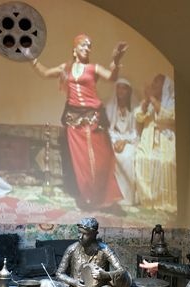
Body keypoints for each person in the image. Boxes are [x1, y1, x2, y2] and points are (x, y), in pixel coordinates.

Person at [28, 34, 127, 210]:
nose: (87, 48)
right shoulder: (65, 68)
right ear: (74, 50)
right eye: (83, 45)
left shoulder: (93, 68)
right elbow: (45, 73)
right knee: (81, 161)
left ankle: (101, 196)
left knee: (99, 158)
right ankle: (88, 197)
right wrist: (32, 58)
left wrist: (116, 60)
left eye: (89, 46)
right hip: (73, 119)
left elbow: (111, 77)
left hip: (93, 116)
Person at [54, 217, 132, 287]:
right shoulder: (72, 249)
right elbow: (59, 274)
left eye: (85, 234)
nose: (80, 237)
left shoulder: (104, 250)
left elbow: (123, 272)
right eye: (79, 232)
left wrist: (106, 275)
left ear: (94, 234)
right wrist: (75, 283)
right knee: (46, 284)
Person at [134, 73, 177, 213]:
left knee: (167, 162)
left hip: (167, 141)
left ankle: (165, 201)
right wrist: (146, 102)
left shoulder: (172, 102)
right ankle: (147, 200)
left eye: (157, 83)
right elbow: (139, 117)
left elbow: (169, 117)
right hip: (149, 140)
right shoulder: (150, 102)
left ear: (165, 86)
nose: (153, 85)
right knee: (141, 159)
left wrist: (152, 99)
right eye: (153, 82)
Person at [105, 78, 138, 205]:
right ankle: (113, 196)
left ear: (129, 91)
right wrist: (115, 141)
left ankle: (126, 197)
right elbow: (107, 130)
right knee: (112, 155)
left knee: (128, 156)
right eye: (118, 87)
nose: (120, 91)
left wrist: (124, 141)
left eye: (124, 88)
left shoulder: (135, 109)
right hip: (113, 140)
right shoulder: (110, 107)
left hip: (129, 142)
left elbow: (135, 132)